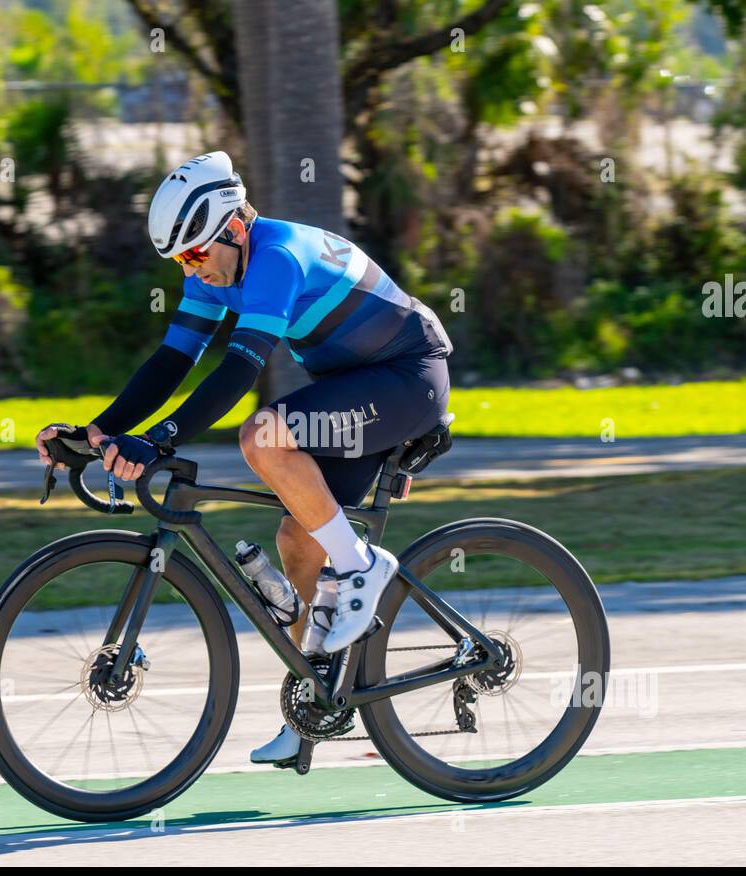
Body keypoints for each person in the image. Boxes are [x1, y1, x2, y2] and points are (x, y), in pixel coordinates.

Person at [35, 150, 452, 765]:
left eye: (197, 255)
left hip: (406, 378)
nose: (193, 271)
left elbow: (239, 368)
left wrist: (158, 441)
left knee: (263, 435)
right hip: (357, 388)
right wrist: (95, 433)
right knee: (297, 539)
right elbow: (172, 363)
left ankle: (363, 567)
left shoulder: (276, 258)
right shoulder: (216, 266)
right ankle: (315, 706)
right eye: (180, 261)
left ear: (232, 227)